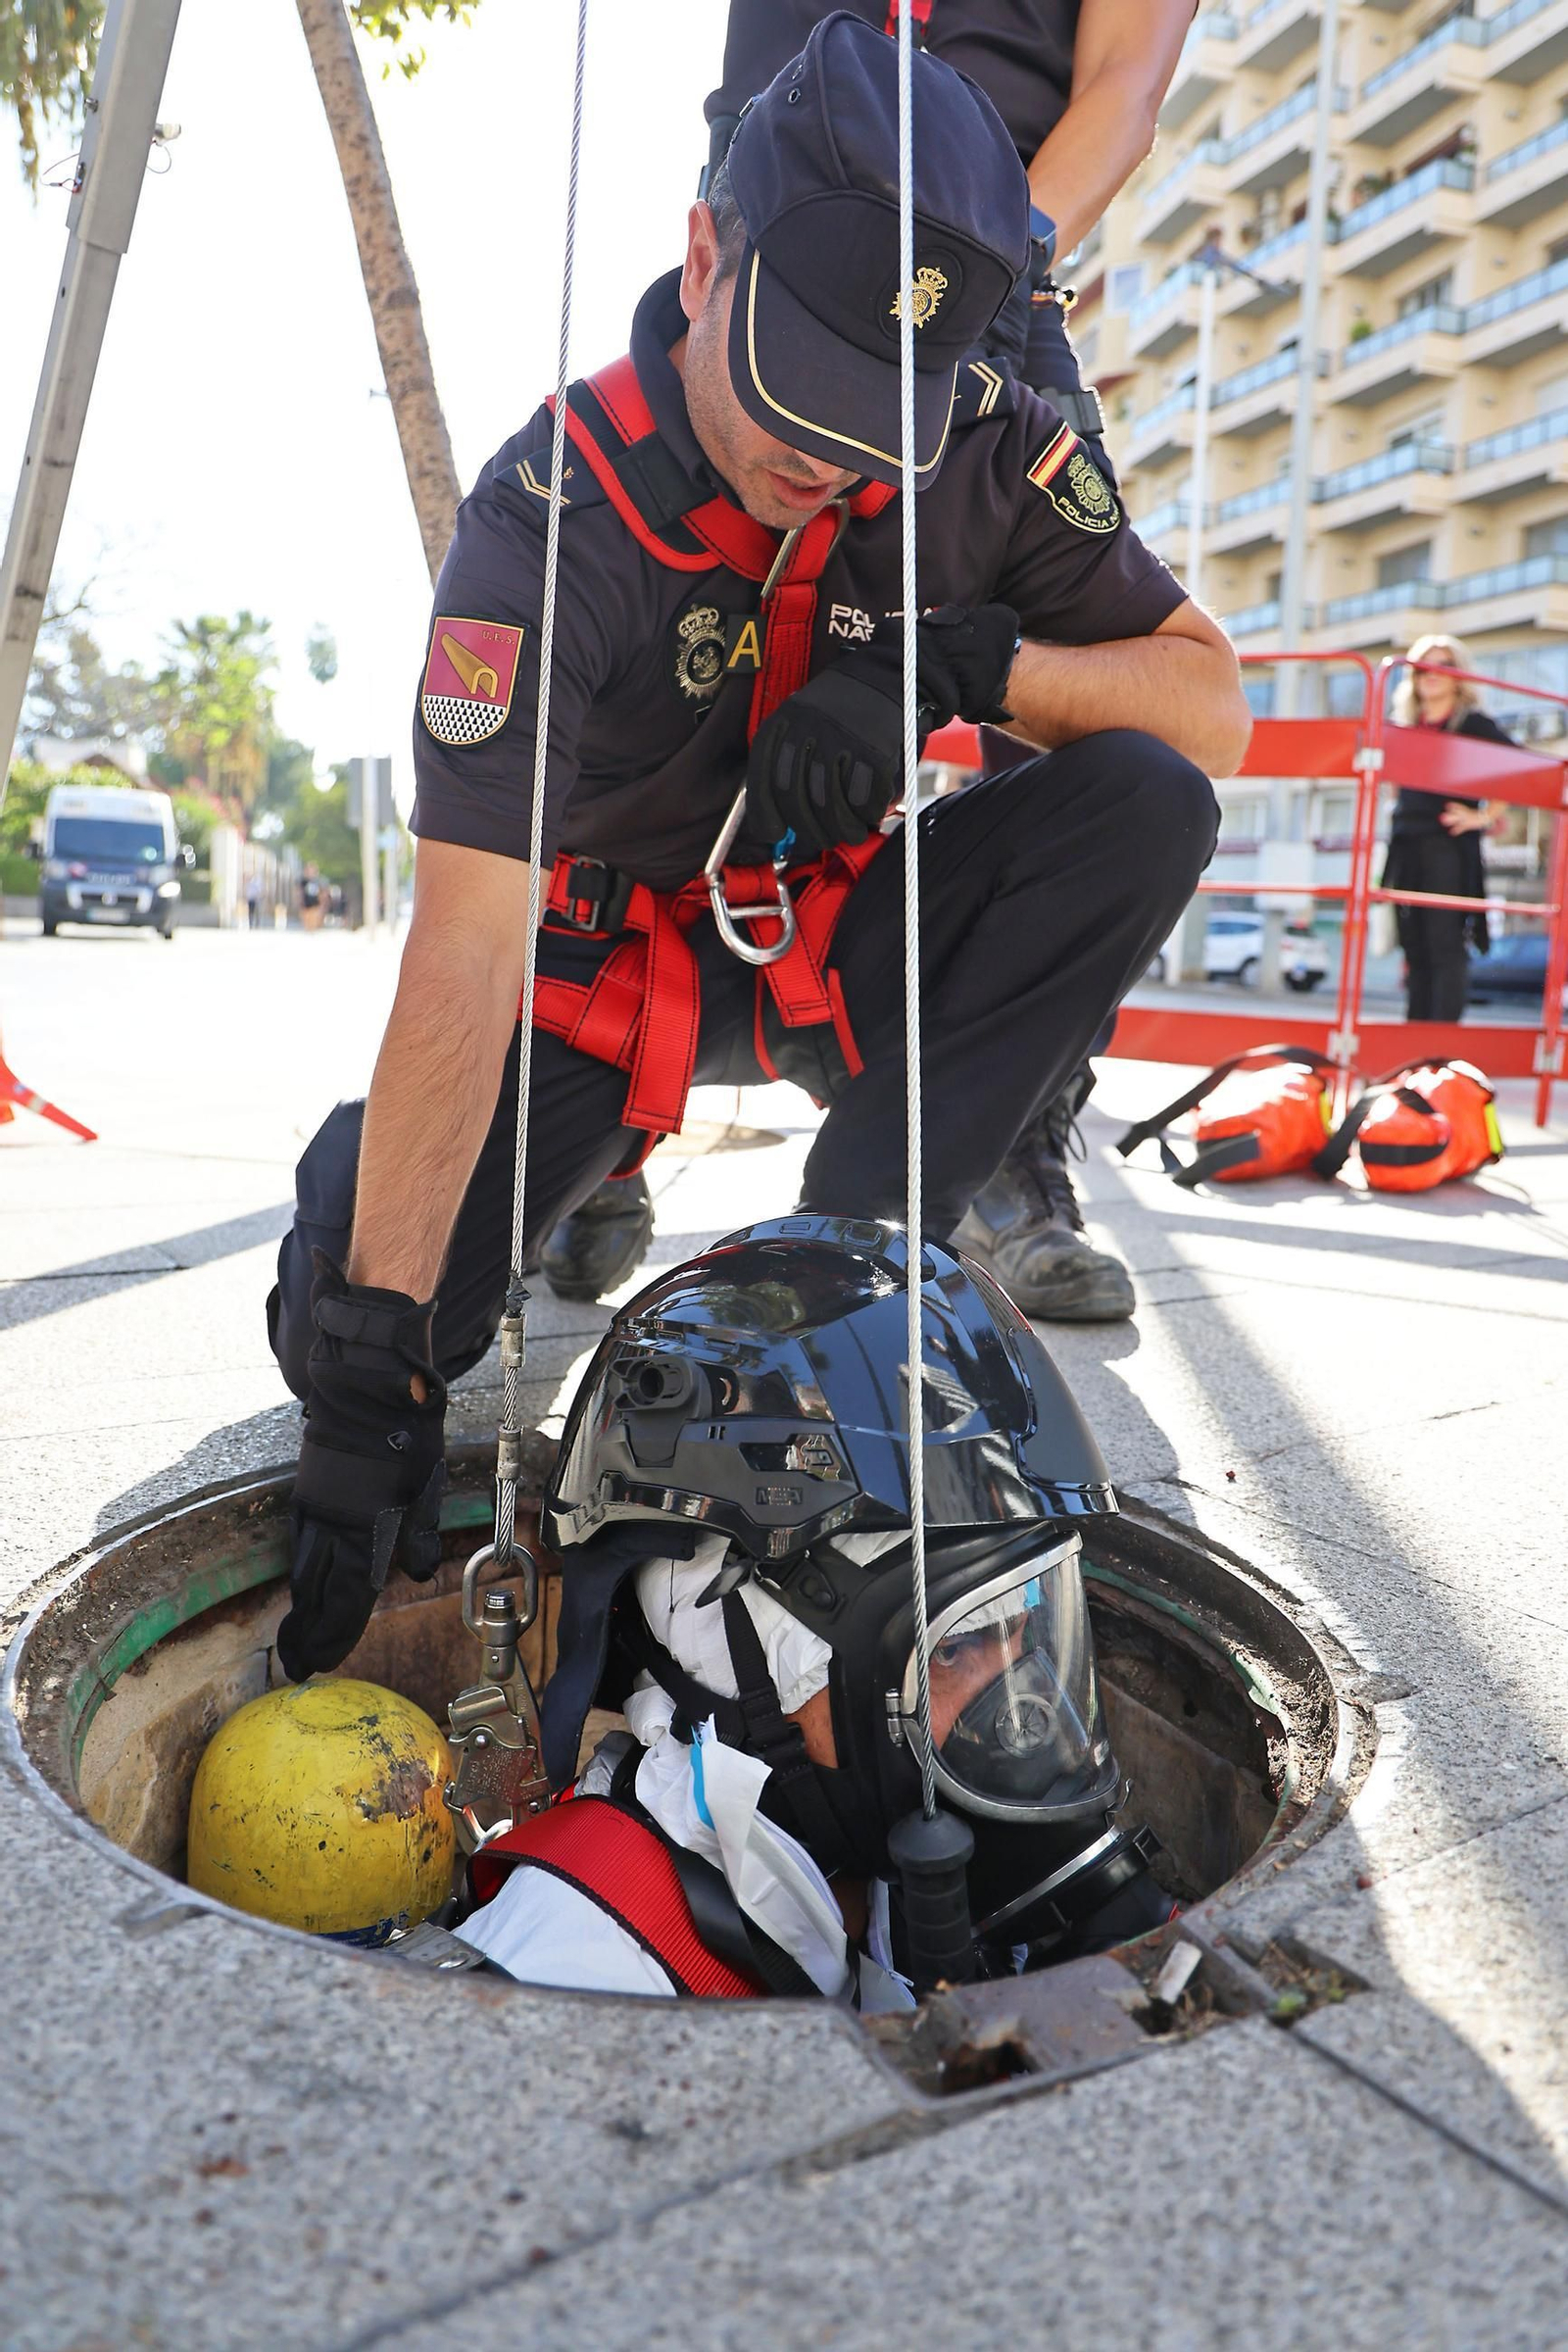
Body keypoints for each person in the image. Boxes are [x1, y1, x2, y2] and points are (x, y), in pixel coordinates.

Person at [268, 16, 1248, 1683]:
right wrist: (370, 1379)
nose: (831, 450)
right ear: (706, 249)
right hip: (596, 970)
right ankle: (400, 1285)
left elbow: (1206, 709)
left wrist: (964, 668)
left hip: (837, 932)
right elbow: (465, 945)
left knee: (1145, 800)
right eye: (802, 379)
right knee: (363, 1317)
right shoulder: (549, 511)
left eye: (887, 409)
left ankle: (856, 1257)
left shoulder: (995, 430)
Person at [540, 0, 1196, 1322]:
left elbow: (1125, 85)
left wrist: (951, 662)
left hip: (987, 259)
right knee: (662, 651)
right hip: (783, 236)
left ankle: (995, 1144)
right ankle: (598, 1086)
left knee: (1097, 722)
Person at [452, 1217, 1172, 1998]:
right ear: (737, 1659)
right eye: (956, 1648)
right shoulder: (576, 1971)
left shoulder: (877, 1859)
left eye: (1024, 1623)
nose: (1021, 1703)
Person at [1383, 633, 1509, 1025]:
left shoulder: (1472, 723)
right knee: (1414, 949)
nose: (1431, 675)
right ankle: (1413, 1047)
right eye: (1423, 667)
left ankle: (1439, 1052)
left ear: (1459, 677)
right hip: (1406, 847)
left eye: (1444, 666)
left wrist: (1484, 817)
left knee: (1444, 947)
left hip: (1447, 849)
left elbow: (1522, 769)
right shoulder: (1405, 726)